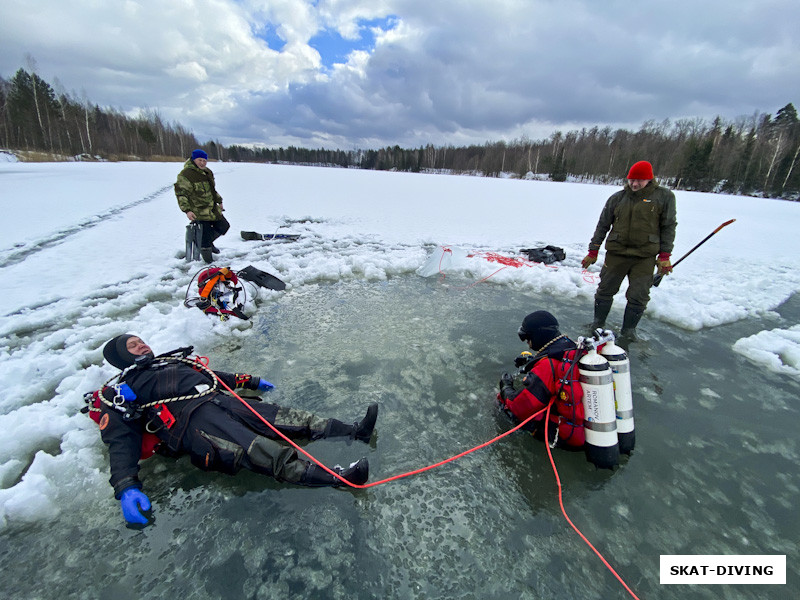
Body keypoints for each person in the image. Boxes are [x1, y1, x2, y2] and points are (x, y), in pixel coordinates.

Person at [94, 334, 378, 527]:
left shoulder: (173, 362)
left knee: (290, 418)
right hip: (197, 422)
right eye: (133, 346)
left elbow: (214, 376)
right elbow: (120, 439)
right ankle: (341, 478)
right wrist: (126, 486)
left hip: (225, 401)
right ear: (121, 358)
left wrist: (251, 380)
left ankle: (356, 431)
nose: (142, 346)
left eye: (141, 341)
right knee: (262, 451)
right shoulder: (121, 390)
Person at [581, 160, 677, 339]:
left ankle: (629, 331)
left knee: (638, 295)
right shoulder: (617, 198)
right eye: (631, 179)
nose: (634, 184)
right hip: (616, 254)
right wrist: (593, 250)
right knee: (605, 290)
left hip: (645, 256)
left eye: (639, 180)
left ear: (650, 179)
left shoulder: (664, 197)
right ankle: (598, 323)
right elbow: (603, 225)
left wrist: (664, 255)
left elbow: (669, 227)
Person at [497, 311, 585, 450]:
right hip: (581, 424)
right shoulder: (570, 346)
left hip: (561, 434)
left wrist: (506, 387)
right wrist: (532, 361)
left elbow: (519, 406)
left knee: (503, 406)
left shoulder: (547, 366)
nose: (527, 343)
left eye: (527, 337)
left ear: (538, 335)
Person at [175, 149, 230, 263]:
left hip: (211, 208)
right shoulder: (186, 175)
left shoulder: (207, 172)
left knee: (224, 226)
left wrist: (219, 201)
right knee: (205, 235)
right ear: (194, 159)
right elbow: (181, 194)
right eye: (200, 160)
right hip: (198, 210)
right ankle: (209, 262)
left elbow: (212, 190)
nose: (202, 163)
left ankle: (207, 243)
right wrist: (187, 210)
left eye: (204, 160)